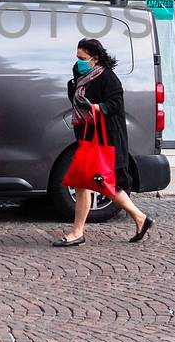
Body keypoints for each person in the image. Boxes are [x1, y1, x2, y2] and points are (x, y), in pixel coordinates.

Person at [52, 37, 153, 247]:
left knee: (98, 182)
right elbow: (76, 99)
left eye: (83, 58)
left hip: (104, 138)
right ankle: (139, 218)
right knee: (91, 182)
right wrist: (74, 83)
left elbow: (115, 104)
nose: (79, 61)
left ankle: (79, 232)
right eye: (77, 57)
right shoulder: (82, 74)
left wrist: (97, 108)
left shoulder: (108, 78)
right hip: (88, 136)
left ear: (95, 58)